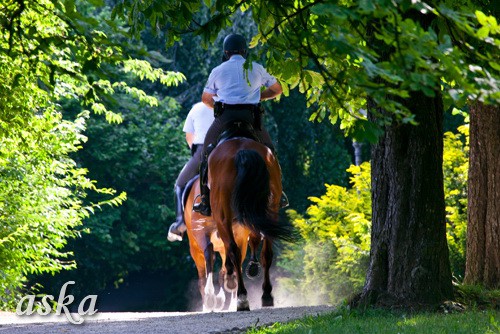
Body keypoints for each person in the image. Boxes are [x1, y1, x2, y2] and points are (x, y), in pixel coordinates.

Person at [193, 33, 288, 216]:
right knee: (269, 151)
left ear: (226, 52)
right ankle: (279, 194)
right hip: (251, 117)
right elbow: (277, 89)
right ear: (245, 51)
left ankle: (205, 199)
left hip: (225, 117)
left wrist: (217, 105)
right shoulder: (257, 68)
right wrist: (259, 96)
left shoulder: (218, 70)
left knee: (207, 151)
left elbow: (205, 98)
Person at [167, 102, 214, 242]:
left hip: (202, 151)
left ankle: (180, 222)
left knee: (180, 184)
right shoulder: (226, 105)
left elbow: (189, 138)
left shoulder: (196, 108)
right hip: (225, 150)